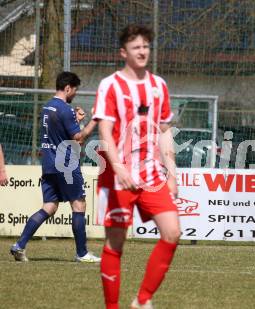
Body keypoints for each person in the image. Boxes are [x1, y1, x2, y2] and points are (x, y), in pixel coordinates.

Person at [93, 24, 180, 309]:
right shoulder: (110, 85)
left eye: (145, 46)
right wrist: (117, 166)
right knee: (115, 244)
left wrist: (172, 173)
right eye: (136, 47)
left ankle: (142, 301)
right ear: (123, 52)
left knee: (172, 232)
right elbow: (104, 129)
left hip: (151, 173)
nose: (142, 51)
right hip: (117, 175)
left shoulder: (159, 85)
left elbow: (164, 130)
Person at [10, 71, 100, 263]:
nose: (75, 93)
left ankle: (19, 245)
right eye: (74, 90)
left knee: (49, 206)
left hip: (49, 163)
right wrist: (95, 120)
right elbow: (79, 138)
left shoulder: (47, 107)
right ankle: (82, 253)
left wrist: (77, 121)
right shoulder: (65, 109)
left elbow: (63, 134)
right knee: (79, 204)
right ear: (68, 88)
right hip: (66, 163)